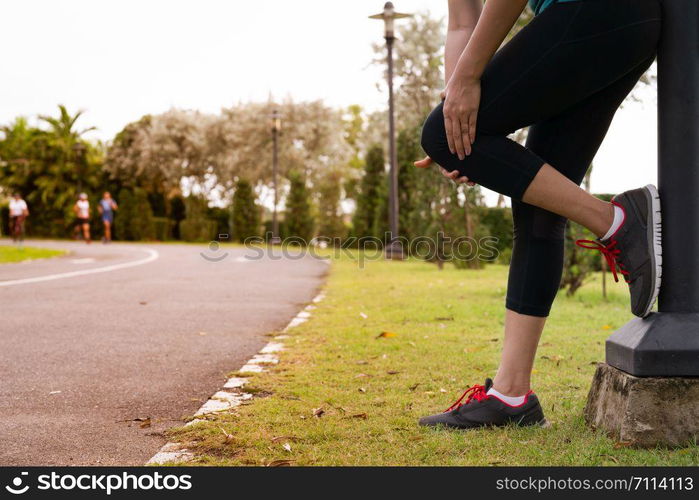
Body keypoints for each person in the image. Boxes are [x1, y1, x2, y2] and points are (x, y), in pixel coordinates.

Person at [416, 0, 662, 429]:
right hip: (618, 25)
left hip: (598, 13)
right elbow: (462, 21)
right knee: (538, 210)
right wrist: (461, 116)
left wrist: (466, 86)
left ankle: (615, 222)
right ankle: (511, 396)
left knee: (435, 134)